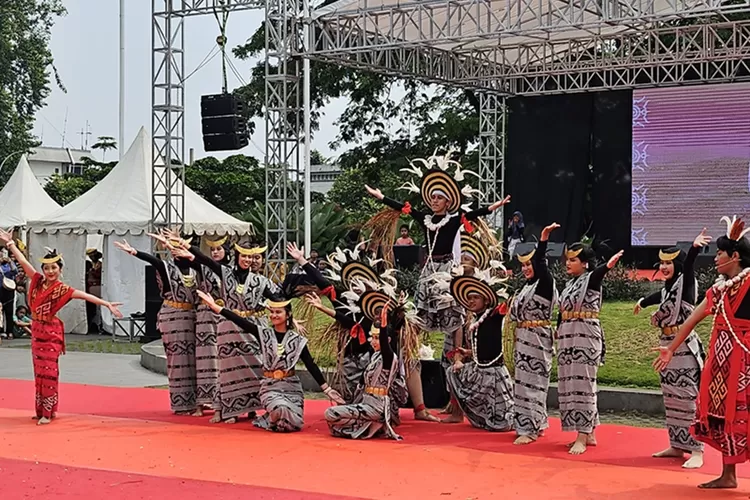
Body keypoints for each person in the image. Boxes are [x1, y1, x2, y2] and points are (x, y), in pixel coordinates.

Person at [654, 216, 750, 489]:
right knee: (722, 416)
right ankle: (728, 475)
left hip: (744, 359)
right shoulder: (718, 290)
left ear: (735, 256)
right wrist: (670, 349)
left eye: (720, 253)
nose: (716, 258)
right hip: (721, 362)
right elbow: (693, 319)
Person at [0, 228, 122, 425]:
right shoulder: (38, 281)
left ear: (60, 269)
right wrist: (10, 244)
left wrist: (106, 304)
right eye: (47, 268)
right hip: (37, 332)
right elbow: (23, 262)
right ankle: (41, 410)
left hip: (50, 333)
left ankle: (47, 412)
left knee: (49, 372)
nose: (50, 272)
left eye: (54, 268)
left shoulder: (62, 290)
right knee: (39, 372)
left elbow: (84, 295)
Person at [196, 290, 345, 432]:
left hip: (291, 388)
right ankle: (272, 417)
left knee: (294, 423)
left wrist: (327, 389)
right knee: (281, 410)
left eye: (278, 312)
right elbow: (239, 320)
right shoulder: (263, 334)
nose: (274, 315)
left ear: (288, 315)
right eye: (272, 312)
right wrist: (215, 307)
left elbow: (310, 365)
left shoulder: (297, 340)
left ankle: (271, 418)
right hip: (270, 388)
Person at [635, 229, 710, 469]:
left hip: (685, 347)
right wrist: (642, 302)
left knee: (688, 398)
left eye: (669, 263)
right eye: (662, 263)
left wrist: (694, 250)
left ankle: (697, 449)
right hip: (666, 346)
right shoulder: (669, 289)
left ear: (677, 265)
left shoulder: (686, 284)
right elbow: (660, 295)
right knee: (671, 398)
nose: (665, 267)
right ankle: (677, 445)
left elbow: (688, 269)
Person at [114, 236, 200, 416]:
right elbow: (153, 260)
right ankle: (181, 403)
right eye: (173, 248)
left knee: (194, 360)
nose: (177, 251)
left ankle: (197, 401)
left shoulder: (195, 269)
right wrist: (135, 252)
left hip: (192, 317)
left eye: (180, 247)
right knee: (178, 361)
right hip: (173, 316)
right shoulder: (167, 268)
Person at [557, 242, 623, 454]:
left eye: (573, 260)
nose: (568, 263)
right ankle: (590, 432)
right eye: (568, 259)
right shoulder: (570, 285)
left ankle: (582, 435)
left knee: (584, 385)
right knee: (570, 384)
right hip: (568, 336)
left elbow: (598, 274)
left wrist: (608, 266)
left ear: (585, 264)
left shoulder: (591, 280)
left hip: (585, 335)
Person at [324, 290, 406, 440]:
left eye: (376, 338)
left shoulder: (389, 357)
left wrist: (383, 325)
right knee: (333, 416)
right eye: (372, 337)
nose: (372, 341)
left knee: (331, 414)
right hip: (367, 402)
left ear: (386, 340)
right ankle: (373, 426)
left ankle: (375, 422)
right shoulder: (375, 356)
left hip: (377, 405)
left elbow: (385, 341)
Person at [442, 271, 514, 431]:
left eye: (476, 297)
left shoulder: (494, 314)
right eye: (469, 298)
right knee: (452, 372)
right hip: (480, 369)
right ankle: (471, 415)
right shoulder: (476, 319)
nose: (472, 301)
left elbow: (507, 306)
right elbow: (483, 346)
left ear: (486, 299)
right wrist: (467, 353)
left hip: (494, 372)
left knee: (502, 425)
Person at [510, 222, 560, 444]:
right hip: (523, 339)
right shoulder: (526, 287)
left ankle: (530, 428)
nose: (525, 268)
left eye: (529, 264)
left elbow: (541, 264)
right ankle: (533, 424)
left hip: (538, 339)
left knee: (534, 383)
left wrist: (544, 238)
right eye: (523, 265)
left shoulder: (545, 284)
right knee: (523, 383)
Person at [191, 235, 231, 417]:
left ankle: (224, 404)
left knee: (224, 359)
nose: (215, 252)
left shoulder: (232, 271)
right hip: (206, 316)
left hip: (225, 315)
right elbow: (191, 258)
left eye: (219, 249)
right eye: (213, 250)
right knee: (205, 358)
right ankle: (202, 402)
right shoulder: (203, 268)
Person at [85, 248, 103, 333]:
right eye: (90, 256)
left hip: (97, 288)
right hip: (89, 289)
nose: (92, 258)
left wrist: (92, 271)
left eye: (93, 256)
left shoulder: (100, 265)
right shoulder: (88, 264)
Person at [0, 254, 17, 337]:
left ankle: (9, 331)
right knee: (0, 313)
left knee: (9, 312)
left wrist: (10, 261)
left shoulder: (9, 265)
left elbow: (15, 271)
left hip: (8, 291)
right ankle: (1, 331)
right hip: (0, 290)